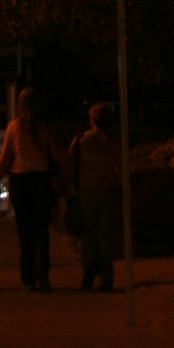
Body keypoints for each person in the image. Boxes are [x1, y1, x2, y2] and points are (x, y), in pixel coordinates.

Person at [0, 87, 67, 291]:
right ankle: (43, 274)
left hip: (21, 181)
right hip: (41, 180)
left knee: (24, 232)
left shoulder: (14, 127)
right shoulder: (44, 127)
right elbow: (56, 155)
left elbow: (5, 157)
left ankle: (27, 277)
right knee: (41, 231)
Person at [70, 101, 123, 292]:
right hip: (108, 190)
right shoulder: (113, 142)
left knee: (88, 234)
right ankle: (106, 277)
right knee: (105, 235)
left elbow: (71, 163)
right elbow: (121, 166)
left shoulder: (81, 140)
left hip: (86, 190)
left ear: (91, 120)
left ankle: (89, 270)